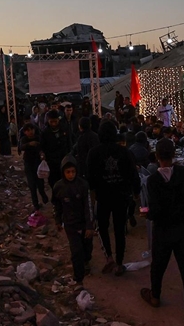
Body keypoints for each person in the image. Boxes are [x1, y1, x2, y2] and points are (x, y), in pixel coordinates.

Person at [141, 139, 184, 326]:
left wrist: (146, 213)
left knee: (158, 265)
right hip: (183, 229)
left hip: (163, 230)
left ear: (157, 157)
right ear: (174, 155)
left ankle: (155, 296)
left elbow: (155, 210)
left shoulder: (153, 181)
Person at [87, 121, 140, 277]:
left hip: (102, 196)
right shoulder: (124, 152)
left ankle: (109, 257)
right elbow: (133, 174)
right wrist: (136, 193)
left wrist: (92, 198)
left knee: (102, 227)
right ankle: (119, 263)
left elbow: (90, 179)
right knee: (119, 229)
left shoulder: (94, 153)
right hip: (121, 196)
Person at [52, 156, 94, 286]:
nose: (71, 175)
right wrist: (58, 220)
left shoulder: (82, 185)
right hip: (70, 224)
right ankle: (78, 279)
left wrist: (89, 226)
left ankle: (86, 260)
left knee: (87, 247)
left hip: (83, 221)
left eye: (73, 172)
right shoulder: (58, 187)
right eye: (68, 172)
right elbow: (57, 206)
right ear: (63, 172)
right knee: (76, 251)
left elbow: (88, 207)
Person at [40, 110, 72, 194]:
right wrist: (43, 154)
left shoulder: (64, 128)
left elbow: (70, 142)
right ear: (48, 120)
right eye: (51, 121)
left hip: (64, 159)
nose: (53, 123)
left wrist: (70, 155)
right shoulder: (45, 132)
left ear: (58, 120)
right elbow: (42, 146)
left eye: (55, 121)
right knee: (53, 182)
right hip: (52, 161)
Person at [18, 122, 48, 210]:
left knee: (40, 183)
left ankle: (43, 195)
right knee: (32, 185)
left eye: (32, 129)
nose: (30, 132)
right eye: (28, 130)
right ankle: (36, 205)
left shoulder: (38, 138)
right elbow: (21, 147)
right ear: (25, 132)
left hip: (37, 163)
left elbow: (42, 148)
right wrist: (29, 144)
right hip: (28, 164)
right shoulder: (24, 139)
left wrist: (42, 153)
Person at [73, 117, 100, 182]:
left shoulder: (81, 138)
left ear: (80, 126)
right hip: (96, 167)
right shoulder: (96, 136)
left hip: (85, 168)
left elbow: (79, 153)